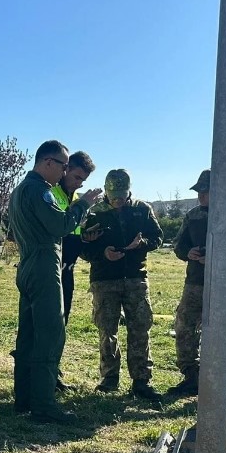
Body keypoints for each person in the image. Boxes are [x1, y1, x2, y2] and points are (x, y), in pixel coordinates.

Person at [8, 140, 101, 424]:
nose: (64, 172)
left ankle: (24, 397)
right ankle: (44, 404)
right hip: (44, 263)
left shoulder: (20, 190)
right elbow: (60, 226)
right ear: (48, 162)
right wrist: (83, 205)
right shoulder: (41, 191)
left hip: (27, 263)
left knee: (28, 335)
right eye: (62, 165)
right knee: (50, 335)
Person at [168, 169, 226, 397]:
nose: (200, 196)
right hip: (196, 282)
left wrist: (218, 256)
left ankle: (225, 378)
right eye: (198, 191)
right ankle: (191, 376)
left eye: (205, 191)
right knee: (184, 326)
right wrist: (187, 252)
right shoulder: (194, 215)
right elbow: (178, 244)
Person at [80, 169, 164, 401]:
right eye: (113, 195)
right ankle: (109, 378)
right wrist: (102, 253)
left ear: (129, 191)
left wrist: (142, 244)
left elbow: (158, 237)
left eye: (121, 196)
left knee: (140, 328)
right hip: (104, 279)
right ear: (106, 192)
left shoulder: (142, 209)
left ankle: (141, 380)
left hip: (136, 278)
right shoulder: (94, 213)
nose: (117, 201)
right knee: (107, 330)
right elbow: (82, 246)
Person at [49, 151, 96, 393]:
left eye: (82, 181)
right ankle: (45, 376)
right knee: (50, 325)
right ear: (66, 169)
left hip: (67, 271)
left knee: (62, 321)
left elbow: (73, 233)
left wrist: (87, 239)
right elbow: (59, 228)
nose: (78, 184)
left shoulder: (74, 197)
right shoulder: (53, 194)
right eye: (76, 177)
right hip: (51, 270)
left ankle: (53, 373)